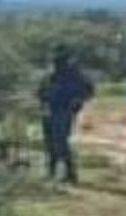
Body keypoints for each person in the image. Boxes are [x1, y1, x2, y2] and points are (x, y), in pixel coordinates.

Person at [37, 47, 95, 183]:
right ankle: (52, 172)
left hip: (63, 110)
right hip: (49, 110)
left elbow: (88, 91)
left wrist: (76, 103)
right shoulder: (51, 74)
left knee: (60, 141)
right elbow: (41, 91)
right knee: (50, 143)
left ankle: (69, 173)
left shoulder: (74, 75)